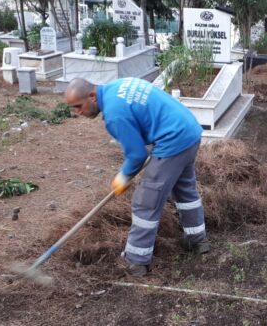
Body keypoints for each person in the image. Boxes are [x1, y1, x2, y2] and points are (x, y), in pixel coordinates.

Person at [64, 77, 211, 277]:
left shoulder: (114, 115)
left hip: (172, 141)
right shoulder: (117, 86)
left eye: (78, 106)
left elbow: (137, 155)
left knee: (145, 203)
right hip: (189, 130)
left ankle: (136, 261)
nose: (78, 113)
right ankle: (197, 240)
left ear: (92, 96)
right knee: (184, 189)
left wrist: (122, 178)